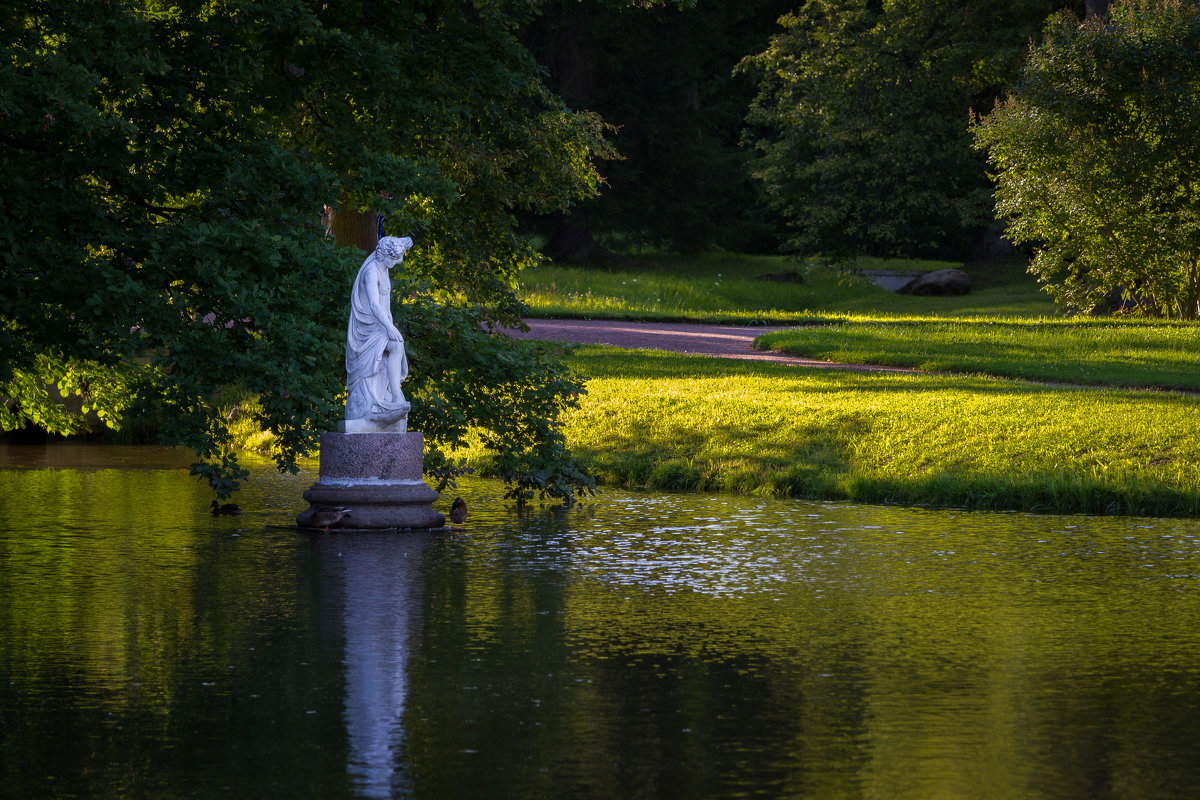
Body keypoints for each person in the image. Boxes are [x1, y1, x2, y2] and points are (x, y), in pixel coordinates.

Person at [344, 236, 413, 430]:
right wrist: (390, 328)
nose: (396, 263)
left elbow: (386, 304)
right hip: (367, 328)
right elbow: (374, 304)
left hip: (381, 324)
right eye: (394, 259)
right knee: (395, 345)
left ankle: (394, 395)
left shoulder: (384, 268)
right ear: (384, 255)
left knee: (397, 346)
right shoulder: (371, 271)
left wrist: (389, 325)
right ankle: (389, 398)